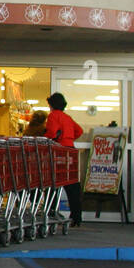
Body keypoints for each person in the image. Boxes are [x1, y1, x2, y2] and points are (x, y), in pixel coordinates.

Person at [44, 92, 86, 228]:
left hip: (58, 151)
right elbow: (79, 131)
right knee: (72, 185)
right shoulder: (67, 117)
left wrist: (44, 139)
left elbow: (51, 133)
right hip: (70, 151)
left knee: (52, 183)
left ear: (51, 105)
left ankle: (51, 213)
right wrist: (69, 139)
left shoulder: (53, 116)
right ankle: (76, 216)